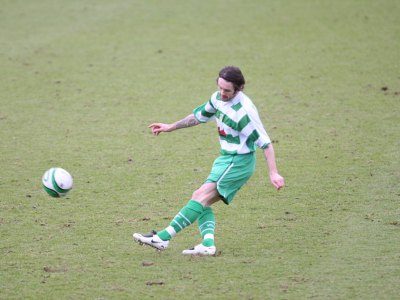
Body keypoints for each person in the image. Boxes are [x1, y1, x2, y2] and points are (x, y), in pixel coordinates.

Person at [133, 66, 284, 256]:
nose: (222, 93)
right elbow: (198, 117)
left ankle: (162, 238)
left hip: (239, 162)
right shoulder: (217, 98)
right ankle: (207, 244)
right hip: (225, 159)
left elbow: (266, 144)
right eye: (220, 87)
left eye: (227, 90)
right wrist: (170, 127)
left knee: (200, 197)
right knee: (200, 199)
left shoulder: (244, 112)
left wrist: (273, 172)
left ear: (239, 88)